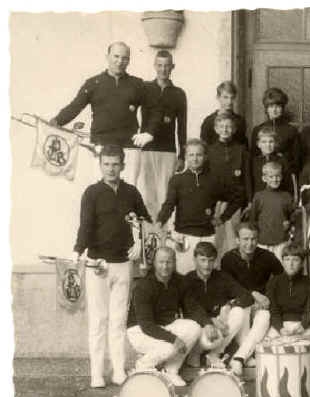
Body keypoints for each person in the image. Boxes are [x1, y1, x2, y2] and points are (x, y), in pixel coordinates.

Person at [72, 144, 151, 388]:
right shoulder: (92, 193)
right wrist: (77, 252)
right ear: (100, 165)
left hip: (124, 265)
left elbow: (145, 221)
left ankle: (118, 370)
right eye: (106, 164)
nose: (110, 169)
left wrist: (140, 243)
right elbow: (85, 226)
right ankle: (96, 373)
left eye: (115, 164)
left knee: (118, 321)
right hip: (98, 264)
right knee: (98, 321)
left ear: (123, 165)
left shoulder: (131, 192)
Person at [50, 42, 161, 185]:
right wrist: (56, 121)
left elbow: (155, 109)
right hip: (101, 146)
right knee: (101, 192)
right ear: (107, 57)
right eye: (116, 56)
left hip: (129, 147)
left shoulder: (137, 84)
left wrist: (149, 133)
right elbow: (75, 106)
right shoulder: (93, 83)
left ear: (129, 60)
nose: (120, 61)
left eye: (124, 58)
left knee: (128, 192)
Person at [126, 247, 214, 387]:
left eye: (169, 262)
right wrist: (174, 339)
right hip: (139, 330)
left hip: (165, 326)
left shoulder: (179, 281)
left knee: (194, 328)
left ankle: (171, 370)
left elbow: (191, 307)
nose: (165, 266)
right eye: (161, 262)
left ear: (174, 262)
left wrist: (207, 323)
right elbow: (147, 325)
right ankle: (142, 366)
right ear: (154, 263)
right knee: (169, 347)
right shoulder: (143, 286)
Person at [183, 242, 269, 377]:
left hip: (220, 324)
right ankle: (195, 353)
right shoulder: (187, 280)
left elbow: (246, 297)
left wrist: (229, 305)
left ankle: (215, 354)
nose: (207, 265)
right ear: (195, 260)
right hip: (200, 325)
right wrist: (209, 321)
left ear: (215, 261)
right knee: (208, 341)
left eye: (211, 260)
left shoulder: (221, 277)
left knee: (239, 312)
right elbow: (190, 309)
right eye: (203, 260)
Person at [155, 139, 236, 275]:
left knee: (206, 276)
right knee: (184, 275)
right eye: (191, 155)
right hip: (183, 236)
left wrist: (223, 218)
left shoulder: (214, 180)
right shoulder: (177, 180)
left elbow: (236, 198)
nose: (195, 158)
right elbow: (169, 204)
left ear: (205, 156)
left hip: (207, 236)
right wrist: (159, 221)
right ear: (186, 157)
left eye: (199, 155)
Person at [220, 222, 285, 369]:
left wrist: (267, 296)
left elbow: (281, 279)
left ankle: (240, 357)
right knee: (243, 309)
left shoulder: (267, 257)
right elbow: (229, 287)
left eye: (253, 239)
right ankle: (246, 356)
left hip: (260, 303)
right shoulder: (228, 259)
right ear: (237, 240)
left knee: (265, 316)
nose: (250, 243)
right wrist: (253, 294)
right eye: (245, 239)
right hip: (239, 304)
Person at [139, 50, 187, 219]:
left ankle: (164, 233)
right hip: (146, 149)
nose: (163, 69)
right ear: (155, 66)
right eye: (159, 65)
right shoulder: (145, 89)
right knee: (147, 195)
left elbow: (182, 127)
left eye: (167, 66)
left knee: (166, 195)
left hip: (168, 151)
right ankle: (149, 233)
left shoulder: (179, 93)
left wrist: (182, 156)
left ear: (172, 67)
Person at [207, 111, 252, 254]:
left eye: (228, 126)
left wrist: (249, 200)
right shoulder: (210, 150)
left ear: (234, 129)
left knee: (233, 238)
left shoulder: (241, 150)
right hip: (215, 201)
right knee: (216, 239)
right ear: (216, 129)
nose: (225, 130)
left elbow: (247, 177)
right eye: (221, 126)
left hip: (235, 201)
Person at [266, 243, 310, 340]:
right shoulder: (274, 282)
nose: (291, 264)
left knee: (305, 344)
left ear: (301, 263)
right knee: (273, 344)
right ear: (283, 262)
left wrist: (303, 326)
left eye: (295, 260)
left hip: (301, 325)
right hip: (280, 325)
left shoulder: (308, 282)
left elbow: (309, 309)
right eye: (287, 259)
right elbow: (273, 310)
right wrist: (280, 328)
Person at [248, 161, 296, 261]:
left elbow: (293, 215)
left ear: (281, 177)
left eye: (277, 176)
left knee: (280, 267)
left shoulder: (286, 196)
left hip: (281, 241)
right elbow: (253, 219)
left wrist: (289, 222)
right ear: (264, 178)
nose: (275, 179)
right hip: (262, 242)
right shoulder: (258, 196)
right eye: (271, 177)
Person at [250, 88, 302, 176]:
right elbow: (254, 156)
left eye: (278, 106)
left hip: (284, 173)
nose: (274, 110)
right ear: (266, 109)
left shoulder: (291, 130)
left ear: (282, 108)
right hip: (262, 174)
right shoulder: (258, 129)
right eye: (271, 106)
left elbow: (297, 159)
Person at [200, 81, 247, 147]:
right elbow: (204, 147)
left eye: (232, 98)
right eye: (225, 97)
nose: (229, 101)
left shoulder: (240, 121)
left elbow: (243, 146)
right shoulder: (209, 121)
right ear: (218, 97)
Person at [250, 127, 293, 195]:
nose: (268, 145)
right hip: (260, 197)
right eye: (264, 142)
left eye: (271, 141)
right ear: (258, 144)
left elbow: (288, 183)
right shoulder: (254, 162)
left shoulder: (282, 160)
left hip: (279, 196)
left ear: (275, 143)